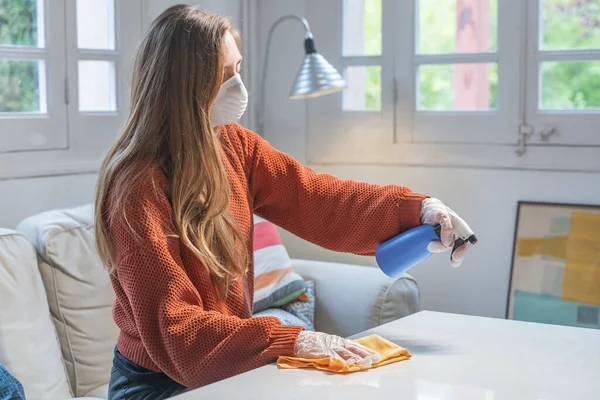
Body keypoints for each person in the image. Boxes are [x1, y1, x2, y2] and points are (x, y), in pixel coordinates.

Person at [94, 5, 473, 399]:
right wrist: (289, 339)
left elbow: (320, 200)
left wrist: (419, 210)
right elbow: (178, 332)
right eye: (223, 76)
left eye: (238, 69)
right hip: (155, 383)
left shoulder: (235, 146)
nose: (238, 86)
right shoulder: (136, 187)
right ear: (183, 86)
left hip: (223, 370)